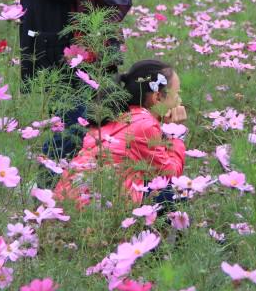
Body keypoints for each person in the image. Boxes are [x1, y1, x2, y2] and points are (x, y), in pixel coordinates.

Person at [55, 60, 187, 207]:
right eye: (177, 94)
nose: (179, 101)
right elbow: (169, 174)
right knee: (177, 194)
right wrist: (176, 133)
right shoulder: (145, 125)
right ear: (157, 97)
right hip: (93, 204)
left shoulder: (118, 114)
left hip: (67, 198)